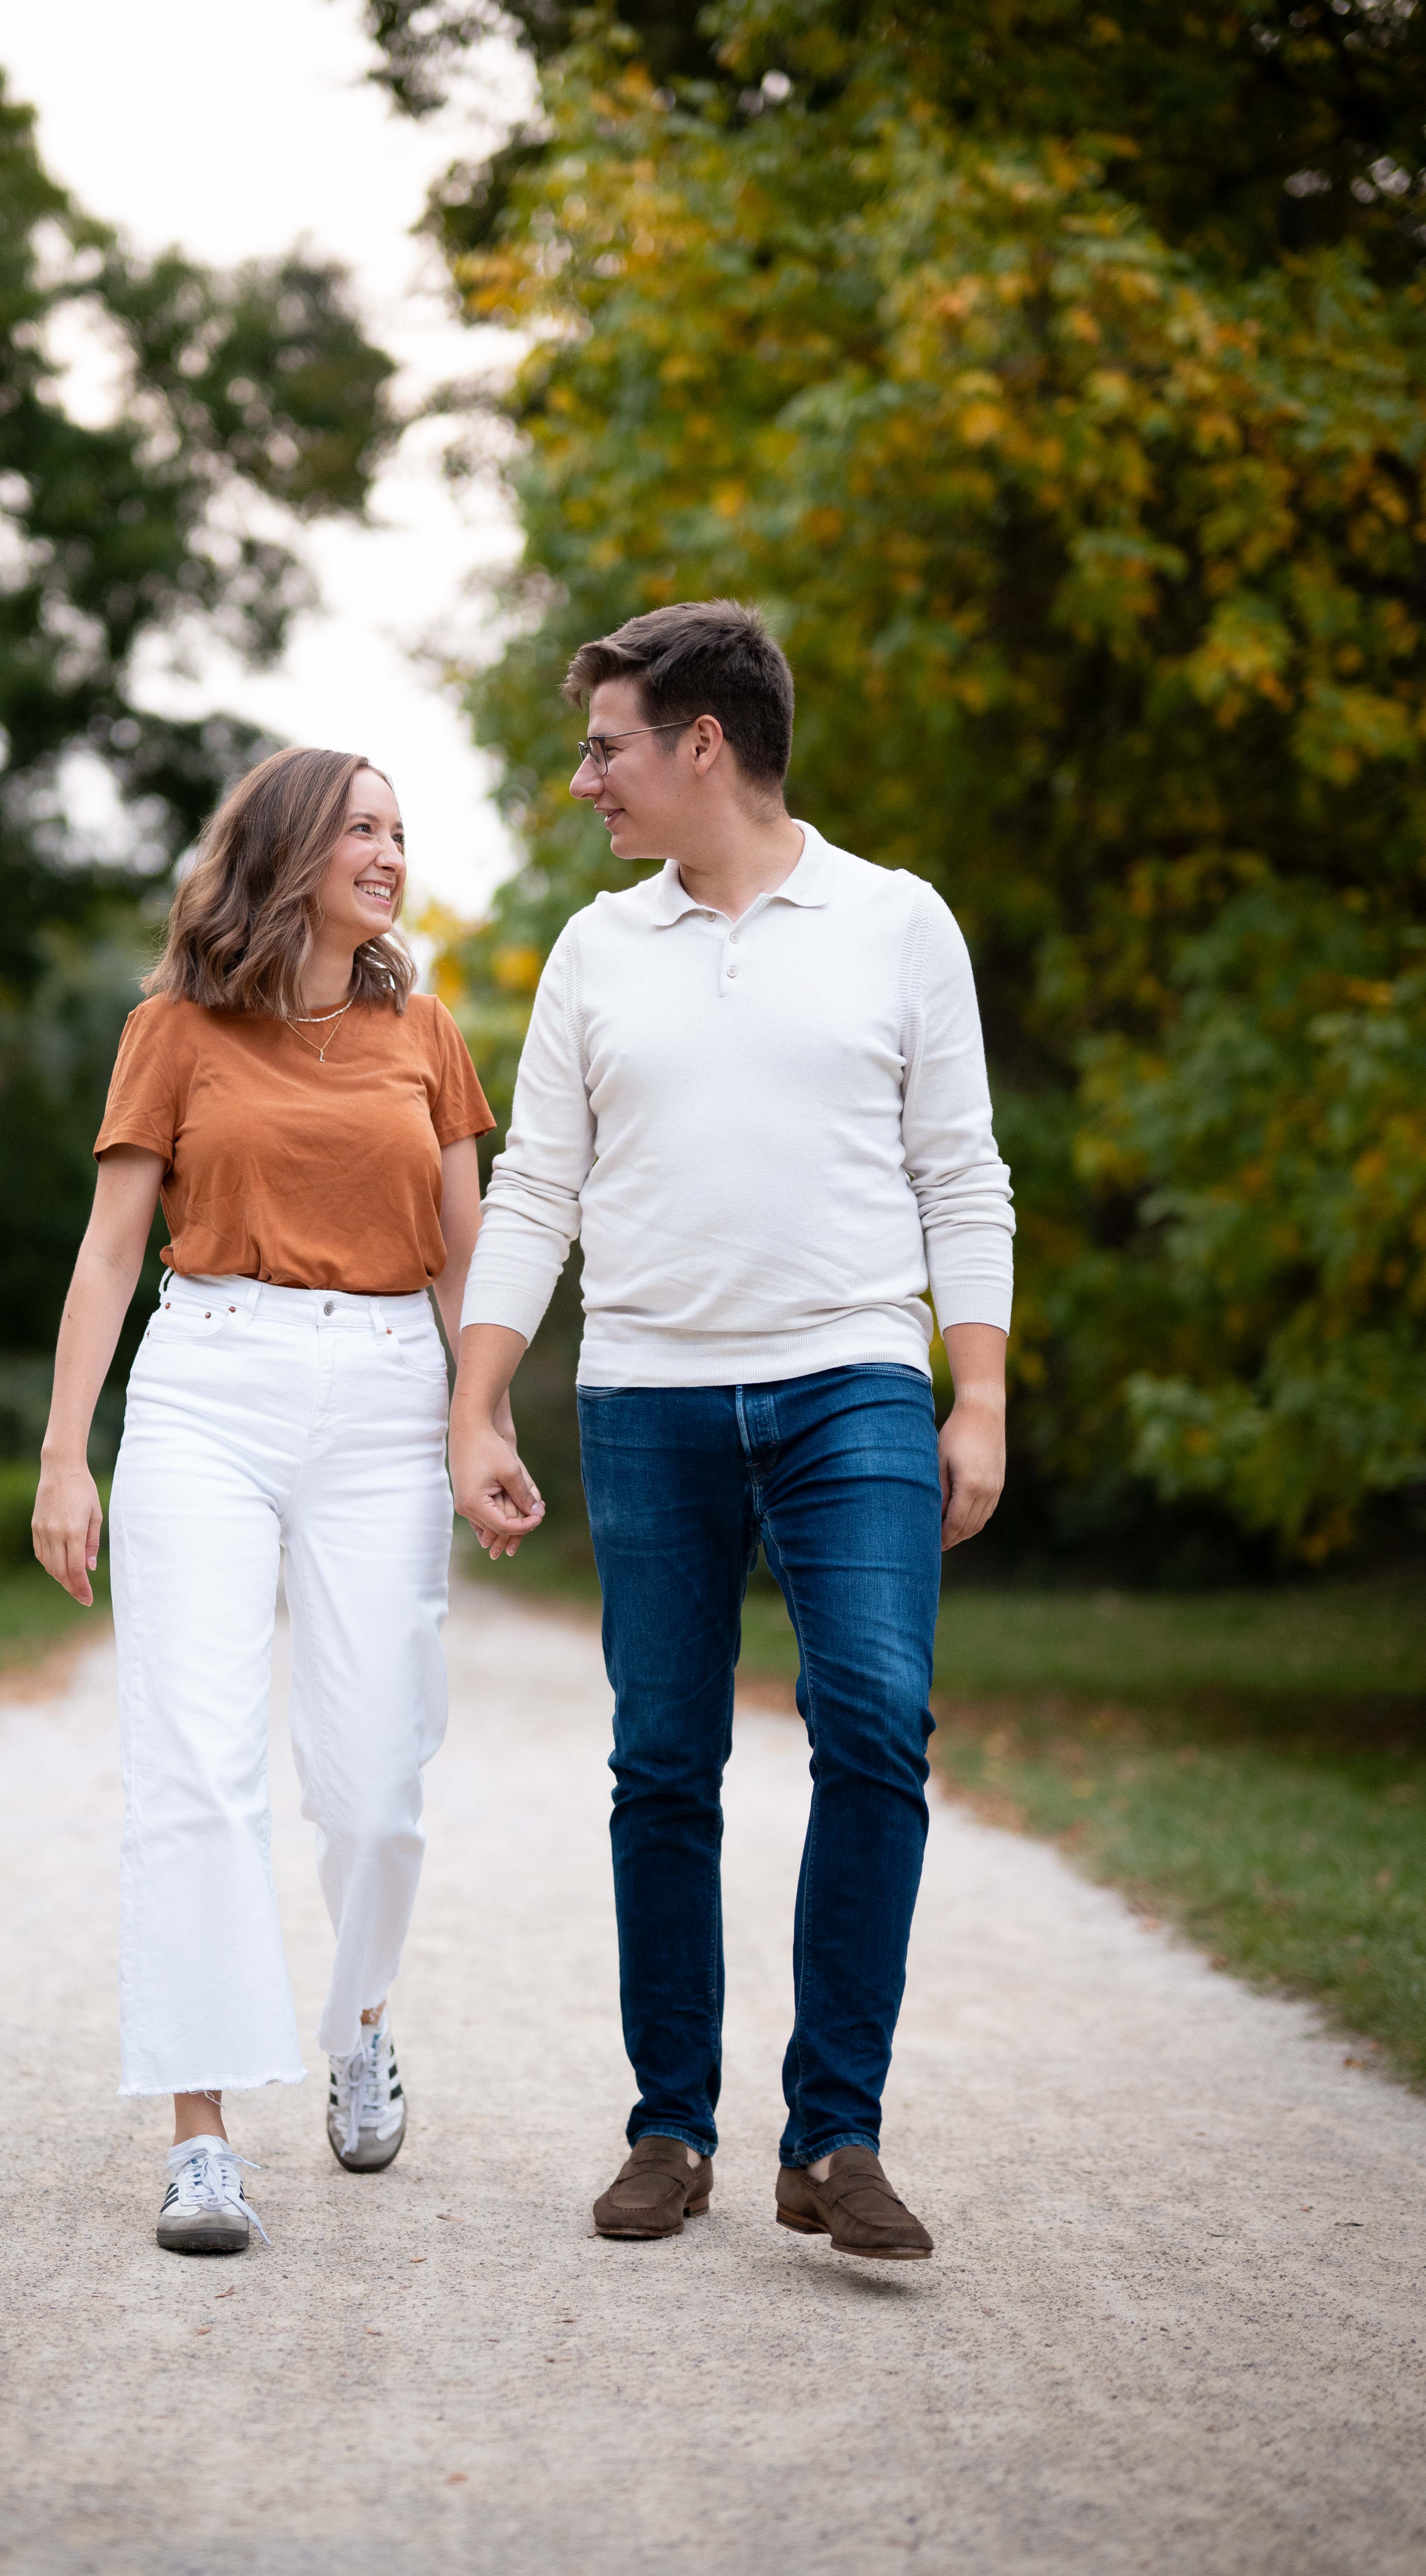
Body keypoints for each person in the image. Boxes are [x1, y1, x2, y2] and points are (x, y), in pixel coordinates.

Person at [449, 602, 1013, 2262]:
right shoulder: (595, 950)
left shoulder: (898, 921)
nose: (585, 781)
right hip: (647, 1398)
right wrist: (478, 1396)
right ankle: (670, 2128)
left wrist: (978, 1393)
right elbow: (535, 1189)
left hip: (854, 1383)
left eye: (606, 747)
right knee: (662, 1760)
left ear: (704, 743)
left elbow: (962, 1173)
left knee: (877, 1721)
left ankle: (835, 2134)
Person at [32, 746, 499, 2258]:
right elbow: (112, 1251)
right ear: (291, 850)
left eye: (401, 831)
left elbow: (464, 1257)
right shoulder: (172, 1028)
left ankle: (361, 2023)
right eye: (362, 828)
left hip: (385, 1397)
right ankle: (202, 2135)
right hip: (209, 1387)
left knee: (375, 1781)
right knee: (196, 1764)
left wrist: (481, 1420)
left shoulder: (425, 1032)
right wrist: (65, 1453)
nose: (391, 852)